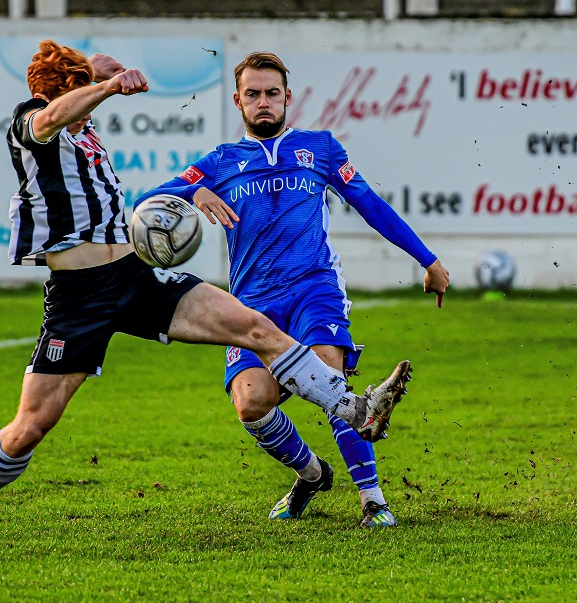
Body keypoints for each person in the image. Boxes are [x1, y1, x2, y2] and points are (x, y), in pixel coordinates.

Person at [0, 41, 412, 538]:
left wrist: (98, 69)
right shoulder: (32, 126)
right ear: (63, 95)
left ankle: (356, 410)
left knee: (253, 327)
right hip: (78, 297)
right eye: (79, 90)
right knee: (32, 424)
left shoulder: (83, 131)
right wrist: (102, 85)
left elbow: (85, 93)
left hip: (134, 275)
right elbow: (57, 112)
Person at [135, 51, 450, 527]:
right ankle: (311, 475)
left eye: (273, 94)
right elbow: (145, 204)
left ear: (288, 98)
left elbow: (369, 204)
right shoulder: (220, 162)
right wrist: (192, 192)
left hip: (313, 288)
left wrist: (427, 260)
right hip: (252, 304)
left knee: (327, 374)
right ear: (238, 101)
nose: (264, 102)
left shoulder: (319, 148)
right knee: (251, 403)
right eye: (254, 94)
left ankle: (372, 499)